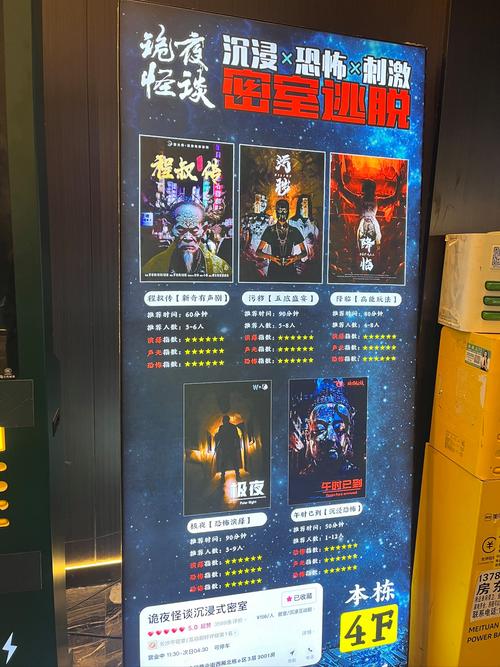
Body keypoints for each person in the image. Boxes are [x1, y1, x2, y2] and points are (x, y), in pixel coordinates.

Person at [334, 157, 403, 273]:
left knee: (373, 250)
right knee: (361, 249)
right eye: (367, 189)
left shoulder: (377, 201)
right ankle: (360, 270)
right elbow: (343, 190)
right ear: (364, 190)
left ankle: (373, 270)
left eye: (371, 189)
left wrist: (399, 184)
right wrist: (338, 175)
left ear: (373, 190)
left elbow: (393, 198)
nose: (369, 191)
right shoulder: (358, 199)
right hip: (362, 228)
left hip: (373, 228)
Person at [142, 198, 230, 278]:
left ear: (204, 230)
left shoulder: (221, 268)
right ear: (170, 229)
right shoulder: (152, 267)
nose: (188, 237)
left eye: (194, 230)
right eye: (181, 230)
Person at [256, 199, 307, 282]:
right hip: (274, 270)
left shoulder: (294, 230)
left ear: (288, 212)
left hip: (290, 270)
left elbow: (304, 252)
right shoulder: (269, 230)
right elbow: (258, 252)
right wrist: (271, 257)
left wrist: (295, 258)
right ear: (276, 212)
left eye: (285, 211)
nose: (282, 214)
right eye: (280, 210)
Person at [214, 415, 242, 483]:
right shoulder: (223, 427)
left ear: (226, 420)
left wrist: (238, 445)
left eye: (224, 420)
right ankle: (224, 476)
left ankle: (236, 475)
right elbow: (219, 437)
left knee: (233, 461)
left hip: (230, 447)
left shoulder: (231, 427)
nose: (223, 421)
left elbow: (236, 437)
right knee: (225, 462)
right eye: (223, 420)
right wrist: (216, 444)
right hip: (226, 447)